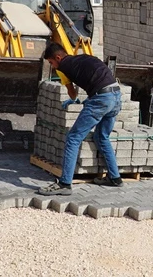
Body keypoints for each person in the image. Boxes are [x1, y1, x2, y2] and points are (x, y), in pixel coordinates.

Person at [37, 43, 123, 195]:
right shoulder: (82, 58)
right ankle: (115, 178)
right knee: (102, 136)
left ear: (58, 57)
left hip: (101, 100)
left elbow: (73, 94)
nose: (53, 66)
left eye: (51, 62)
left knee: (73, 138)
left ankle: (64, 184)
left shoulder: (63, 67)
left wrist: (74, 99)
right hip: (115, 95)